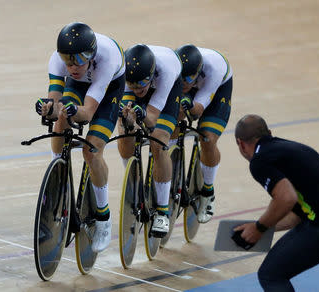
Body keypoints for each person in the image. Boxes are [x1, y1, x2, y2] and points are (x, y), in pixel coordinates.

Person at [234, 114, 319, 292]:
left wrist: (259, 228)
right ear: (269, 132)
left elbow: (286, 198)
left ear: (241, 143)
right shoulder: (290, 149)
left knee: (271, 275)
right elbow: (297, 215)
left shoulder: (259, 161)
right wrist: (261, 228)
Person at [35, 22, 125, 253]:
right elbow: (54, 103)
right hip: (78, 86)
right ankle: (58, 167)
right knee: (61, 115)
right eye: (67, 59)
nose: (73, 66)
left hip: (108, 91)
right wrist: (48, 108)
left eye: (79, 59)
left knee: (92, 150)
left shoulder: (107, 61)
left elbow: (87, 113)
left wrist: (71, 109)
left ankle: (104, 219)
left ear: (91, 55)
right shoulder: (59, 62)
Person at [117, 44, 182, 237]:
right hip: (137, 77)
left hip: (168, 91)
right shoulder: (126, 75)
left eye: (142, 83)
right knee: (124, 128)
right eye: (133, 85)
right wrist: (128, 119)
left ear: (152, 74)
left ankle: (162, 210)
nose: (138, 89)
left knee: (158, 142)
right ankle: (133, 182)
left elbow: (152, 118)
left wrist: (142, 114)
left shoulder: (167, 71)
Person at [174, 44, 233, 223]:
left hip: (217, 89)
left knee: (207, 137)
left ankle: (208, 191)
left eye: (189, 79)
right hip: (193, 83)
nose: (184, 82)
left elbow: (197, 110)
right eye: (181, 79)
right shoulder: (176, 69)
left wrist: (190, 106)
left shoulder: (214, 70)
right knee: (172, 122)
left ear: (199, 73)